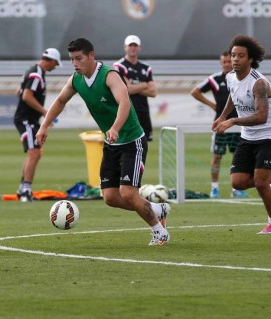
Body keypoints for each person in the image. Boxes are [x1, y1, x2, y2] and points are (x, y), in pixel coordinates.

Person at [36, 38, 170, 246]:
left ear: (91, 55)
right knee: (110, 197)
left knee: (128, 193)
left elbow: (125, 102)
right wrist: (44, 126)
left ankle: (159, 231)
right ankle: (156, 209)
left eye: (79, 58)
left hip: (132, 141)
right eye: (72, 59)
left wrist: (115, 127)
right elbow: (61, 100)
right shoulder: (76, 80)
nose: (75, 63)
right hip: (112, 144)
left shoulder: (109, 75)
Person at [212, 35, 271, 235]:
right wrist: (223, 116)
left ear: (250, 59)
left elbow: (261, 117)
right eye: (233, 55)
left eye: (240, 56)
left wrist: (233, 121)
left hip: (268, 136)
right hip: (248, 137)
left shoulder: (259, 83)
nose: (235, 59)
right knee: (238, 182)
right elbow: (234, 97)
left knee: (261, 182)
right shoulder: (230, 77)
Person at [190, 51, 248, 198]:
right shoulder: (215, 79)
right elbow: (195, 91)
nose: (228, 64)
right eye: (225, 62)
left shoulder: (241, 78)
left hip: (238, 124)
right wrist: (212, 105)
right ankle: (214, 188)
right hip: (221, 124)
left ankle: (237, 189)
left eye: (230, 61)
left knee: (238, 157)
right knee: (217, 157)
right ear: (221, 63)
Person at [13, 48, 61, 202]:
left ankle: (23, 188)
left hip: (28, 119)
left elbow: (18, 92)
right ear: (51, 61)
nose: (55, 67)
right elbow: (27, 96)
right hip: (26, 119)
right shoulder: (36, 74)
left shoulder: (33, 71)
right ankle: (26, 189)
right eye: (56, 64)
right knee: (35, 152)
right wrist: (45, 112)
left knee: (35, 152)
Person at [113, 35, 157, 142]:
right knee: (128, 143)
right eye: (130, 45)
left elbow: (153, 92)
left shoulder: (146, 68)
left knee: (145, 143)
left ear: (139, 48)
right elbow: (127, 90)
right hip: (127, 111)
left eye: (135, 45)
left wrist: (133, 86)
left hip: (143, 111)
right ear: (125, 47)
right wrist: (144, 84)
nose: (133, 48)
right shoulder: (119, 66)